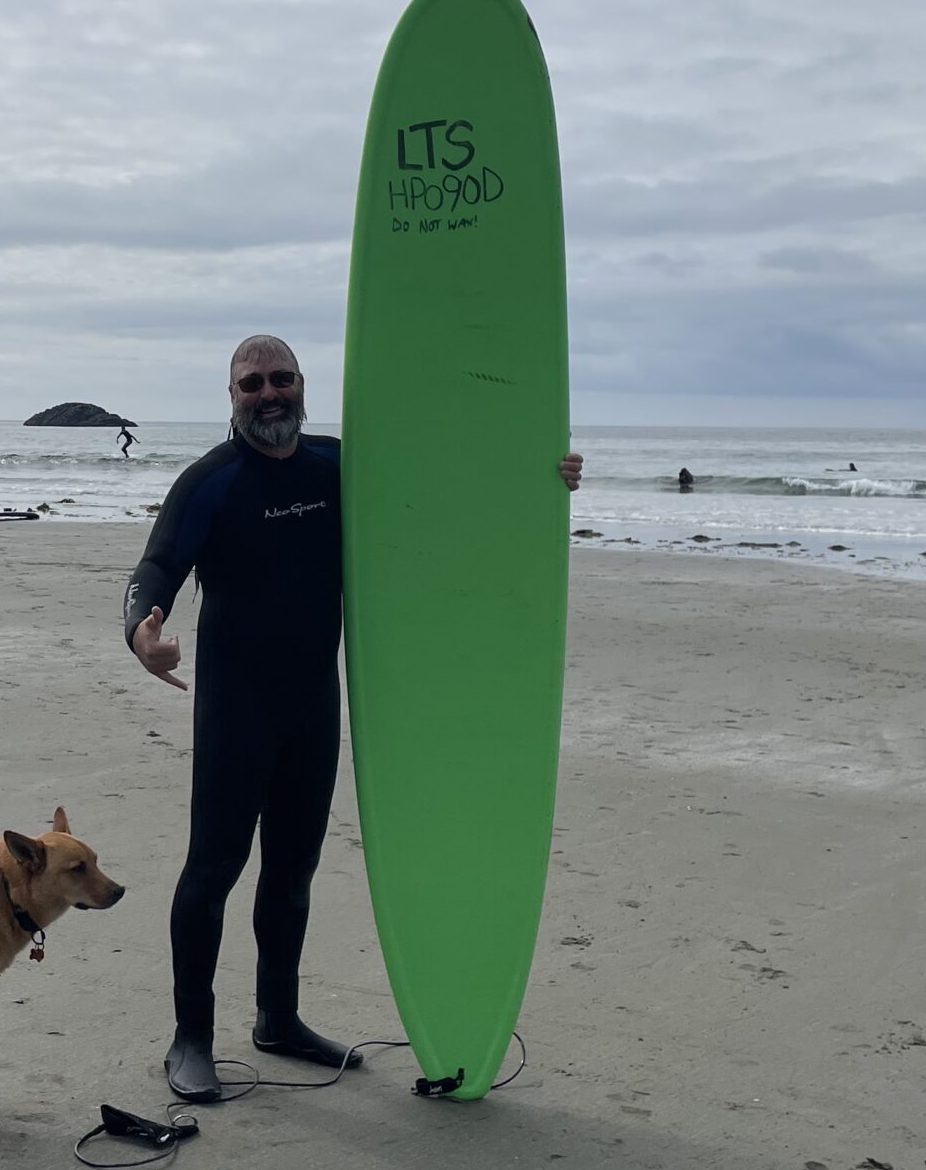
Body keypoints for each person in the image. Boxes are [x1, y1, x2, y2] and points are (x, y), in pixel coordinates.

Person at [122, 334, 582, 1102]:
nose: (268, 393)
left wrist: (543, 472)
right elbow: (157, 565)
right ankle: (191, 1038)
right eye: (251, 384)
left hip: (312, 702)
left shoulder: (340, 467)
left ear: (302, 385)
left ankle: (278, 1018)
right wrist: (143, 630)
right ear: (231, 397)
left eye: (282, 379)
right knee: (214, 871)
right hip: (237, 708)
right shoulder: (210, 481)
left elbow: (445, 495)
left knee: (294, 868)